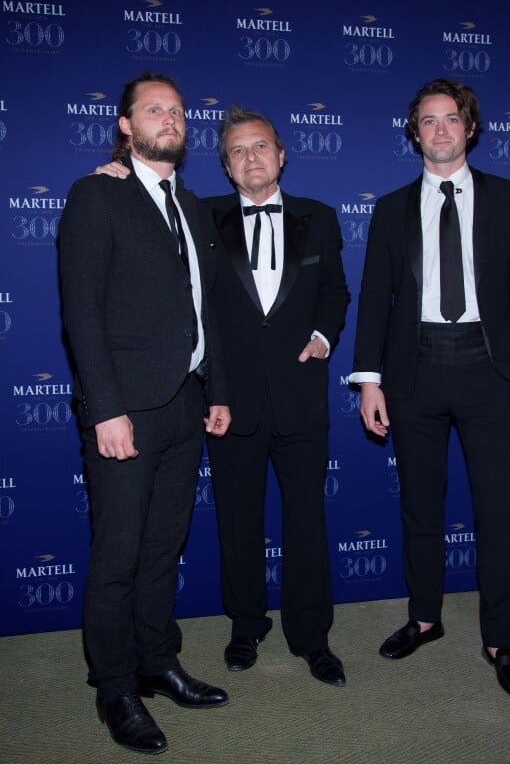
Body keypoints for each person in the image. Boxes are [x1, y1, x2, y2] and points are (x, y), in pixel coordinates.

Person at [94, 105, 350, 687]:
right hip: (229, 401)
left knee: (307, 520)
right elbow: (143, 204)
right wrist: (112, 170)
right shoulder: (200, 215)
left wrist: (322, 334)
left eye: (260, 146)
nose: (251, 157)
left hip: (300, 397)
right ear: (227, 167)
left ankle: (312, 637)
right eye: (237, 150)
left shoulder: (321, 217)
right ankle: (246, 626)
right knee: (237, 521)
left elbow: (335, 292)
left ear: (282, 156)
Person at [350, 79, 510, 700]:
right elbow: (376, 303)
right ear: (414, 131)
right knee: (420, 506)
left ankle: (500, 641)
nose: (440, 130)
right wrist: (369, 381)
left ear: (469, 128)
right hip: (414, 371)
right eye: (428, 120)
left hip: (491, 372)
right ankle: (425, 617)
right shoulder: (388, 209)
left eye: (451, 119)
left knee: (498, 510)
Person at [59, 72, 231, 756]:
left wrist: (215, 389)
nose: (170, 118)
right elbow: (81, 312)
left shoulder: (190, 206)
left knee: (164, 548)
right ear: (126, 126)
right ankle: (114, 687)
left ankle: (157, 660)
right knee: (119, 555)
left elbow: (202, 307)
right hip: (124, 410)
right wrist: (106, 409)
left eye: (179, 111)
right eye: (154, 109)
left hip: (185, 405)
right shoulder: (96, 194)